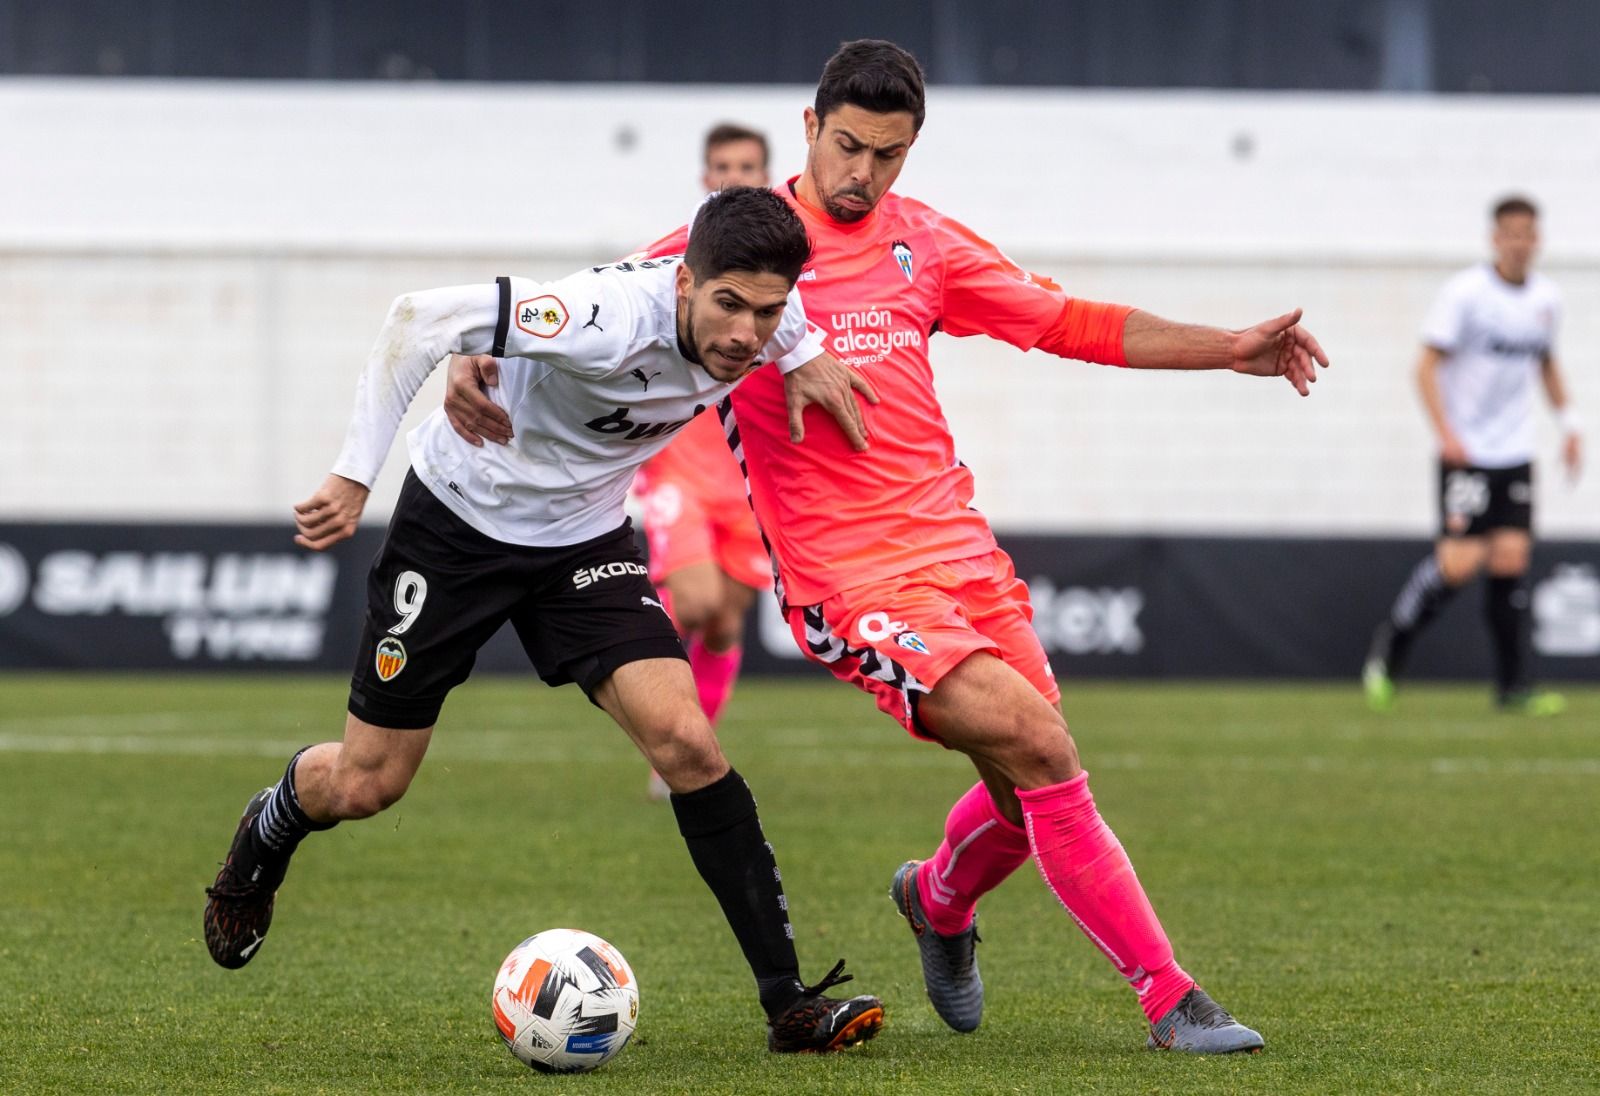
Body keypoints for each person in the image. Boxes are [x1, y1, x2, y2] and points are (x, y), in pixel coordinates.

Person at [446, 40, 1329, 1054]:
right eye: (850, 147)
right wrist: (488, 347)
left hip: (959, 554)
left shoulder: (926, 245)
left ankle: (937, 899)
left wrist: (1228, 348)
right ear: (811, 126)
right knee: (1043, 746)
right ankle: (1171, 998)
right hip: (848, 578)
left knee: (1021, 787)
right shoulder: (742, 244)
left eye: (890, 155)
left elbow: (1062, 320)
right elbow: (596, 299)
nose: (863, 174)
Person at [202, 187, 886, 1055]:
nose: (746, 334)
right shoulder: (604, 316)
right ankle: (271, 825)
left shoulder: (767, 323)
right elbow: (416, 320)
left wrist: (808, 355)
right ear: (684, 283)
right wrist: (352, 474)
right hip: (454, 530)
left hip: (582, 544)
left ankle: (788, 1002)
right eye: (728, 305)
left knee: (688, 745)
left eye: (768, 312)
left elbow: (789, 331)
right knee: (369, 784)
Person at [1363, 196, 1581, 715]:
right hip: (1468, 453)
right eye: (1511, 232)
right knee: (1458, 564)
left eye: (1529, 233)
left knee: (1511, 560)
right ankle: (1390, 648)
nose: (1520, 242)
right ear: (1495, 238)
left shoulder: (1547, 300)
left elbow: (1546, 365)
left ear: (1538, 239)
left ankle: (1511, 689)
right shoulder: (1465, 295)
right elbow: (1424, 367)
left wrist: (1569, 424)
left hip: (1515, 452)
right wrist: (1446, 433)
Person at [635, 123, 775, 800]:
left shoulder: (791, 268)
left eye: (746, 166)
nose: (733, 177)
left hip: (752, 478)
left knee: (723, 620)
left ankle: (681, 759)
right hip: (678, 464)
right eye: (722, 166)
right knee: (692, 600)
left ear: (768, 174)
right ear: (704, 178)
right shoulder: (679, 260)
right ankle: (635, 676)